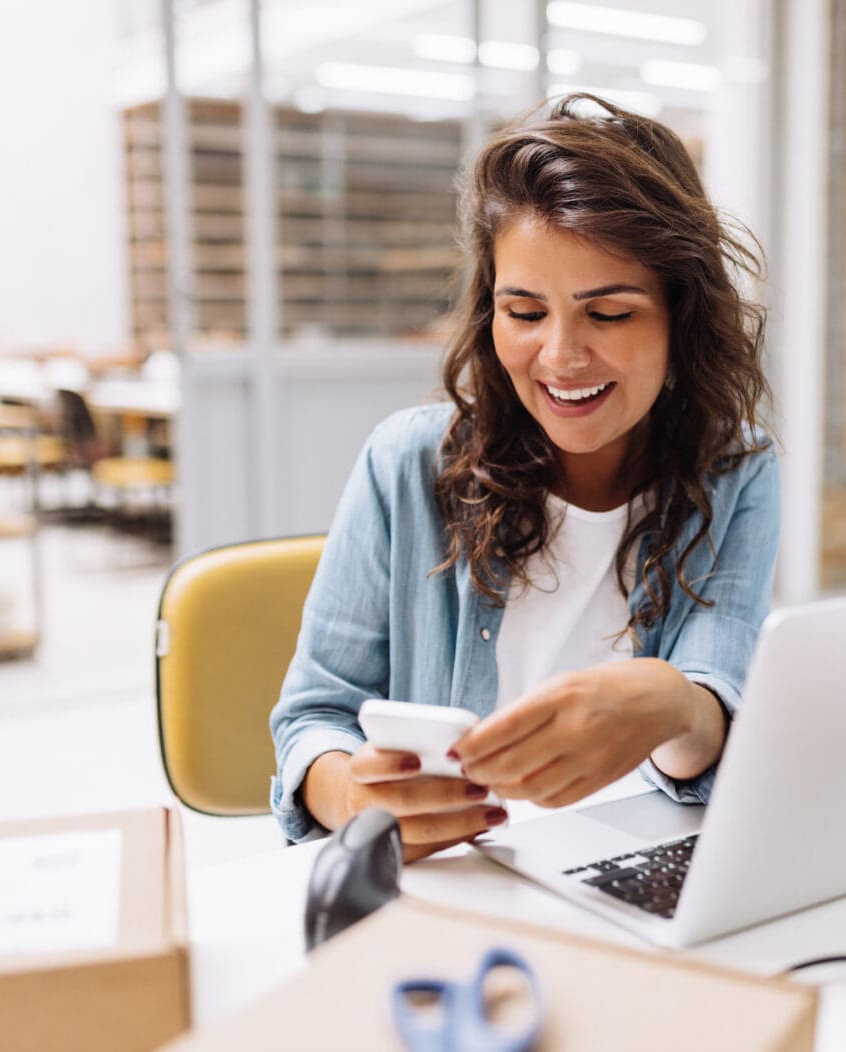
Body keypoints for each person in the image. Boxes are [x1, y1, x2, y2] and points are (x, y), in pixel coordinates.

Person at [268, 95, 778, 860]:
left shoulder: (736, 469)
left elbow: (712, 703)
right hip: (453, 876)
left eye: (609, 314)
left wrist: (677, 705)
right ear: (489, 313)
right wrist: (354, 796)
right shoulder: (406, 464)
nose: (562, 357)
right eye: (526, 312)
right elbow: (314, 716)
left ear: (682, 316)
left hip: (635, 865)